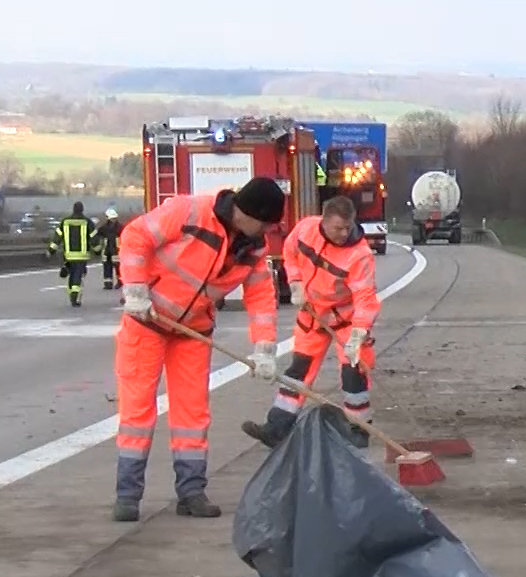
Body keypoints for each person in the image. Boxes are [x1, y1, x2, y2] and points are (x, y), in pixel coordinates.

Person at [114, 178, 287, 523]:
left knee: (192, 415)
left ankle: (191, 492)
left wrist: (265, 348)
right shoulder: (189, 211)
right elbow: (135, 237)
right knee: (137, 410)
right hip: (146, 322)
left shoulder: (253, 249)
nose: (268, 230)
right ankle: (128, 495)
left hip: (193, 330)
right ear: (247, 213)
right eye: (266, 222)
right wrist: (135, 288)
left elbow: (261, 297)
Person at [243, 194, 379, 449]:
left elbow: (365, 298)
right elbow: (290, 252)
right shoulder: (306, 230)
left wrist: (359, 334)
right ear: (324, 222)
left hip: (346, 320)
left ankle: (359, 431)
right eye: (338, 228)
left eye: (348, 227)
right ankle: (277, 428)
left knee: (353, 376)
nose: (343, 233)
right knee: (298, 372)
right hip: (312, 313)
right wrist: (294, 282)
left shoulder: (359, 255)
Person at [47, 202, 95, 307]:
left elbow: (57, 238)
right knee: (78, 275)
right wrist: (98, 250)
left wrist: (51, 251)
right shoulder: (87, 222)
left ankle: (72, 294)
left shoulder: (65, 222)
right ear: (82, 209)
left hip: (68, 255)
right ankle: (75, 295)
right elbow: (94, 239)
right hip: (82, 256)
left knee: (71, 275)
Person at [95, 206, 124, 291]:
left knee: (118, 267)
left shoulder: (119, 227)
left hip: (116, 250)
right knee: (108, 267)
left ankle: (119, 281)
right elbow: (98, 237)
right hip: (108, 251)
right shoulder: (104, 228)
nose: (113, 220)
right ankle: (108, 283)